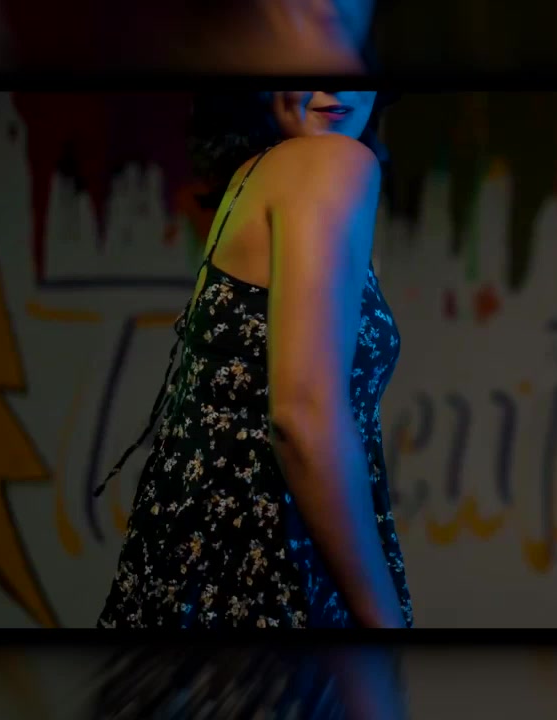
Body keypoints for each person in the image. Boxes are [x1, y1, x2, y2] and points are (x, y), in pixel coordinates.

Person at [93, 89, 411, 630]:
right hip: (264, 572)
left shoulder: (256, 174)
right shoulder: (328, 160)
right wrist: (385, 623)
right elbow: (300, 417)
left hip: (194, 571)